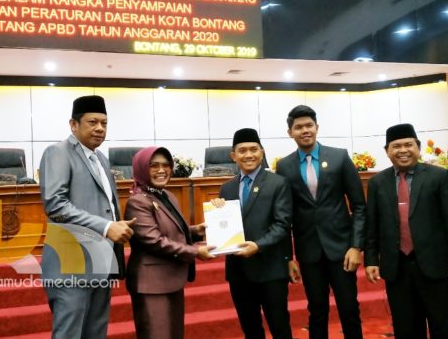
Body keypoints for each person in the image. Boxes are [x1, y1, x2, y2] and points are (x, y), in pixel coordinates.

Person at [39, 95, 135, 339]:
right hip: (71, 265)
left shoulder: (101, 158)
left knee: (95, 333)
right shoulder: (58, 152)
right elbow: (56, 205)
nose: (100, 128)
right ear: (74, 124)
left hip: (101, 262)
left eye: (104, 123)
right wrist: (106, 226)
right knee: (70, 334)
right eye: (93, 122)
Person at [364, 123, 448, 339]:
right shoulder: (377, 183)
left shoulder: (438, 176)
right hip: (397, 267)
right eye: (396, 146)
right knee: (406, 327)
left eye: (408, 145)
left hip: (436, 265)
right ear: (387, 151)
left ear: (418, 147)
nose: (403, 150)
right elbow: (372, 224)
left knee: (445, 326)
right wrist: (371, 259)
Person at [275, 105, 365, 339]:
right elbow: (283, 216)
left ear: (317, 127)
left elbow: (359, 206)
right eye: (298, 127)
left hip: (342, 249)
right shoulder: (284, 166)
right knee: (317, 311)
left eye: (309, 125)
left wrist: (356, 246)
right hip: (309, 251)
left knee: (349, 308)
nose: (305, 130)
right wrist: (288, 257)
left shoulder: (339, 157)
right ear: (290, 132)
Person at [124, 146, 215, 339]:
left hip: (171, 279)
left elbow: (171, 230)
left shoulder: (167, 195)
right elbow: (154, 240)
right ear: (142, 168)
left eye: (166, 165)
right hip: (151, 283)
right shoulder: (137, 201)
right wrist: (196, 252)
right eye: (154, 165)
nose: (161, 170)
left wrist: (195, 231)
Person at [212, 128, 294, 339]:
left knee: (280, 327)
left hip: (270, 269)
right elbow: (225, 226)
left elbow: (282, 224)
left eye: (253, 149)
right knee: (250, 329)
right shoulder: (226, 188)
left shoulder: (278, 183)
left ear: (262, 152)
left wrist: (258, 245)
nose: (248, 155)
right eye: (242, 151)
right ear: (233, 156)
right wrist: (215, 214)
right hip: (239, 272)